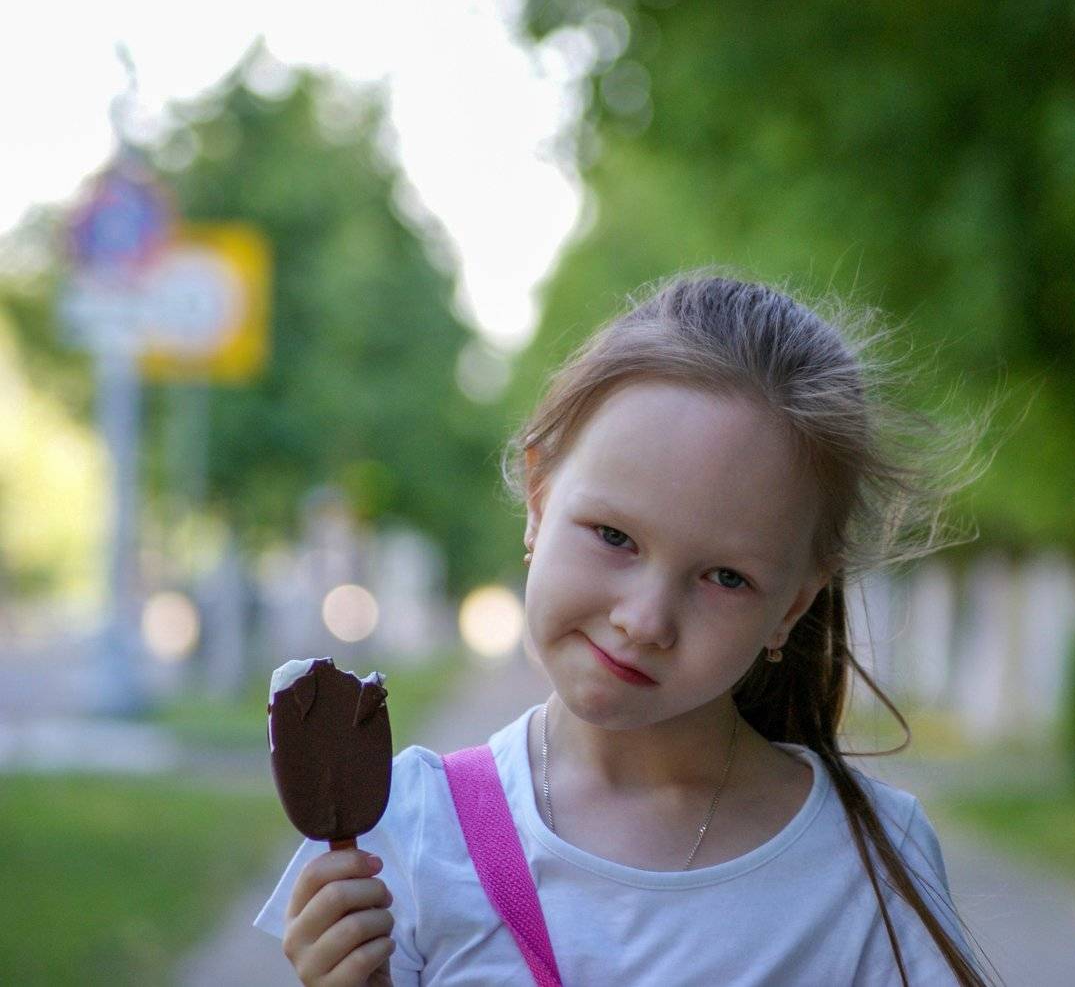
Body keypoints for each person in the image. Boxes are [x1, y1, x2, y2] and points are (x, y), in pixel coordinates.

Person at [254, 273, 998, 985]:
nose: (644, 621)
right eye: (614, 537)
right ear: (539, 499)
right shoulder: (410, 832)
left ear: (793, 606)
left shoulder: (867, 860)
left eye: (725, 577)